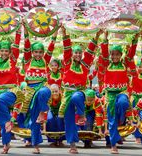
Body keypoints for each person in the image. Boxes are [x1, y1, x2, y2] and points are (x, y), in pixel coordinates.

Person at [58, 25, 102, 154]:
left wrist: (97, 36)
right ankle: (72, 144)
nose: (77, 54)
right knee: (68, 119)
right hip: (67, 93)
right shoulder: (67, 62)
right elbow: (66, 47)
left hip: (79, 92)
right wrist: (64, 33)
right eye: (75, 52)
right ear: (72, 54)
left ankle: (82, 114)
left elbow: (91, 50)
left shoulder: (86, 63)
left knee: (76, 97)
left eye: (79, 53)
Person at [0, 24, 23, 154]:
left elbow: (17, 44)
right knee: (1, 120)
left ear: (10, 52)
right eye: (2, 50)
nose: (4, 53)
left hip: (10, 92)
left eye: (6, 51)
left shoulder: (12, 60)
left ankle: (8, 121)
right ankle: (6, 144)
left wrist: (19, 31)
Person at [100, 31, 140, 154]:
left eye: (117, 54)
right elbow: (104, 53)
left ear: (121, 55)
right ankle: (113, 145)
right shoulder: (107, 64)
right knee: (111, 120)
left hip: (122, 92)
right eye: (113, 54)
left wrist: (135, 39)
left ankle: (122, 119)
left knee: (123, 102)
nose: (115, 57)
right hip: (110, 94)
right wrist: (105, 38)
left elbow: (131, 53)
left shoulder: (124, 63)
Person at [22, 24, 59, 154]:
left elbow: (51, 47)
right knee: (30, 119)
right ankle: (34, 143)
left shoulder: (45, 60)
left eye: (40, 52)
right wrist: (25, 30)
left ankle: (43, 111)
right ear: (32, 53)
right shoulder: (27, 60)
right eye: (36, 52)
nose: (38, 54)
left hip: (42, 89)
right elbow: (26, 45)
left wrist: (55, 32)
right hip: (30, 91)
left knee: (44, 92)